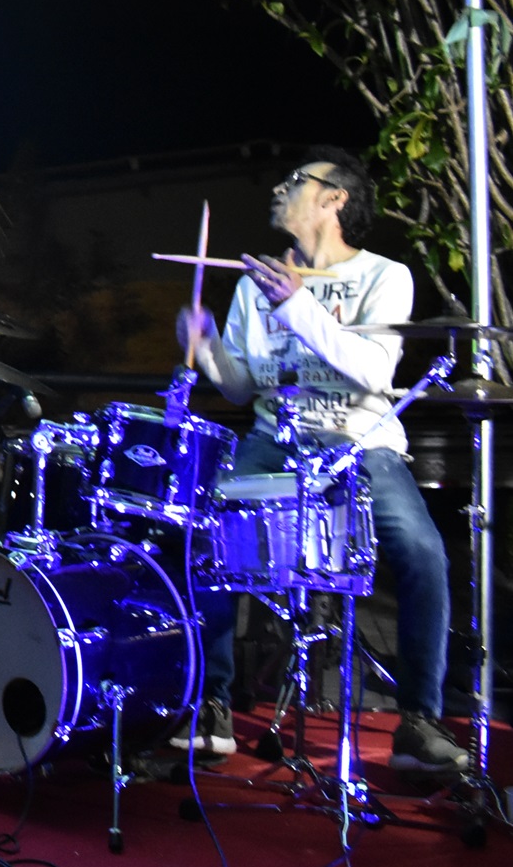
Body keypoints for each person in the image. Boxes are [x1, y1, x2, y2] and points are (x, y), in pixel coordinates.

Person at [173, 148, 466, 772]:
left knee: (423, 553)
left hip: (358, 441)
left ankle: (419, 719)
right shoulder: (256, 282)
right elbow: (242, 387)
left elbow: (374, 371)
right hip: (274, 439)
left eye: (294, 182)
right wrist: (207, 347)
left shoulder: (385, 276)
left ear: (335, 199)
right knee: (203, 536)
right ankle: (212, 702)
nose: (278, 189)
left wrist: (297, 307)